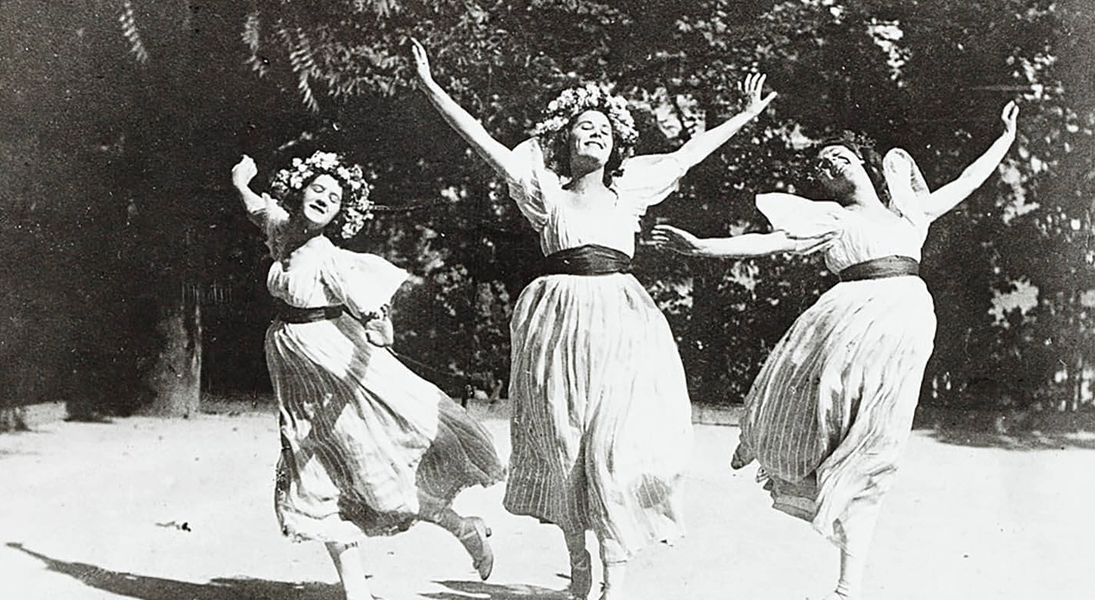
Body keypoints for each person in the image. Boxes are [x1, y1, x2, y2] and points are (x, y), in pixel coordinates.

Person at [410, 39, 777, 599]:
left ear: (617, 144)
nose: (595, 133)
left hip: (621, 321)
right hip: (556, 323)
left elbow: (688, 154)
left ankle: (614, 580)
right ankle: (578, 567)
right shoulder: (544, 192)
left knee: (612, 449)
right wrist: (433, 88)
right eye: (584, 126)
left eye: (604, 129)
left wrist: (744, 116)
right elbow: (482, 141)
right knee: (565, 445)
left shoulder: (628, 195)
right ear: (565, 140)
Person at [650, 101, 1020, 600]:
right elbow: (769, 242)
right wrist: (703, 247)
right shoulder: (830, 219)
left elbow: (967, 182)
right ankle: (766, 436)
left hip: (904, 328)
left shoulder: (910, 212)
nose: (829, 166)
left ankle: (848, 587)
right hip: (846, 320)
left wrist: (1004, 139)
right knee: (819, 401)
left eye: (838, 157)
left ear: (863, 163)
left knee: (877, 447)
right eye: (821, 166)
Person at [230, 151, 505, 600]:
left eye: (335, 197)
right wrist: (242, 182)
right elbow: (259, 210)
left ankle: (463, 528)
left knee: (376, 477)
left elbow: (368, 305)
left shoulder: (329, 258)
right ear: (299, 192)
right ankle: (356, 592)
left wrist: (380, 326)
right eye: (318, 188)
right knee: (315, 475)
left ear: (341, 213)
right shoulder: (283, 231)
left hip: (339, 372)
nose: (324, 198)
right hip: (297, 375)